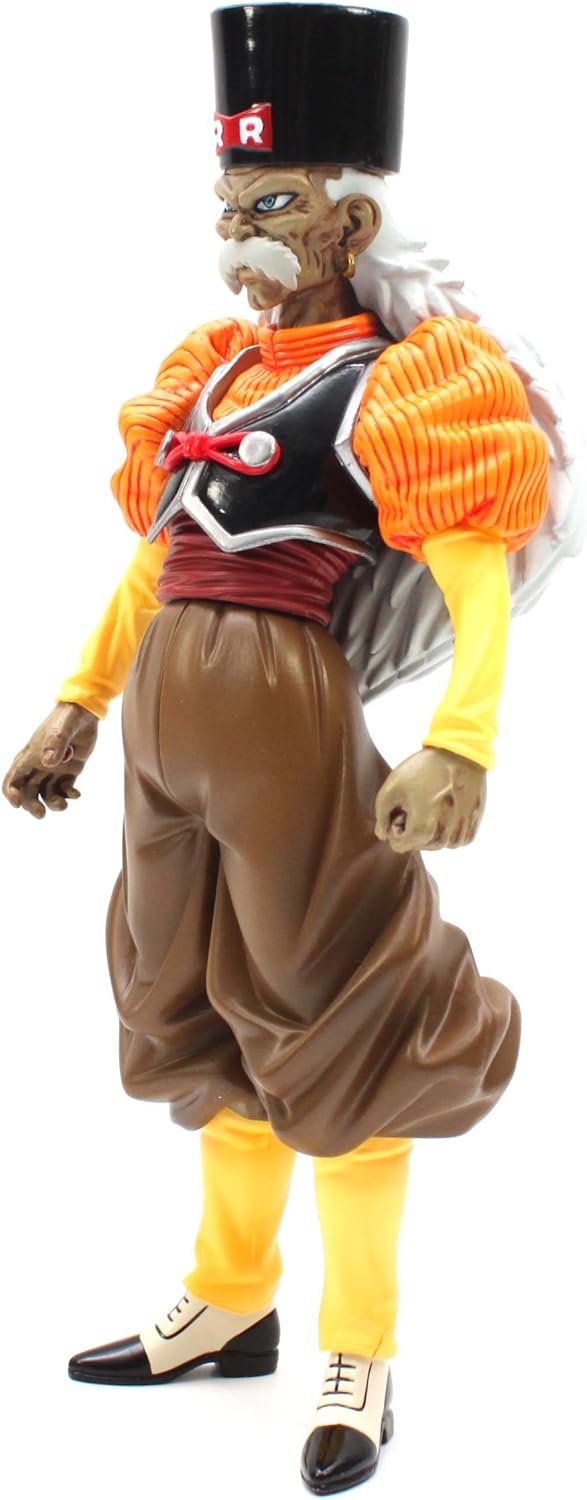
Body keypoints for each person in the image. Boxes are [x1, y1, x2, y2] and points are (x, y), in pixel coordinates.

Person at [2, 5, 575, 1493]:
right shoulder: (212, 373)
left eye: (269, 205)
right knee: (194, 1011)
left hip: (285, 720)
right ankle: (230, 1298)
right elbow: (160, 556)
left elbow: (468, 564)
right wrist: (79, 699)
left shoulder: (405, 380)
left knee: (337, 1022)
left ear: (353, 220)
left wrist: (460, 741)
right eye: (228, 207)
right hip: (164, 737)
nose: (236, 238)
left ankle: (358, 1350)